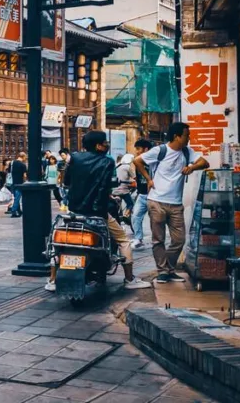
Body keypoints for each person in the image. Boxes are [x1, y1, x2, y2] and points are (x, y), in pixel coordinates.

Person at [57, 130, 151, 290]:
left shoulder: (74, 158)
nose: (107, 145)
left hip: (74, 211)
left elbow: (66, 182)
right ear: (98, 146)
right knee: (123, 240)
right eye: (105, 142)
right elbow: (108, 185)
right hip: (97, 212)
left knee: (58, 243)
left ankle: (52, 280)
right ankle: (129, 279)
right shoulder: (107, 162)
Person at [134, 122, 210, 284]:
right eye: (186, 135)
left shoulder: (186, 151)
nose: (189, 138)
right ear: (177, 136)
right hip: (156, 201)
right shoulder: (160, 151)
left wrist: (192, 167)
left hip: (176, 204)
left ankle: (167, 269)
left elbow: (205, 163)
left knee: (179, 240)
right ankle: (164, 271)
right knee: (158, 240)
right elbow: (138, 161)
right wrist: (148, 179)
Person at [131, 139, 154, 248]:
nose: (137, 152)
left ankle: (157, 240)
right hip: (142, 194)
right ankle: (138, 239)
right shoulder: (137, 162)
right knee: (136, 216)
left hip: (154, 195)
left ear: (146, 149)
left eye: (138, 149)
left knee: (155, 219)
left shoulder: (154, 161)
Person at [9, 152, 27, 218]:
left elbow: (8, 171)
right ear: (23, 157)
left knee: (16, 197)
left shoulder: (12, 163)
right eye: (25, 157)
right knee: (17, 198)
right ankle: (14, 211)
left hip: (13, 182)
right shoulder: (23, 165)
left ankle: (19, 210)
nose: (26, 158)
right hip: (20, 183)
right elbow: (24, 175)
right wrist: (25, 181)